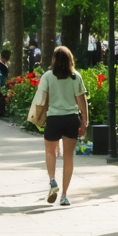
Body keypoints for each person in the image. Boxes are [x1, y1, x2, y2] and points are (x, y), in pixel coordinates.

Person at [38, 46, 89, 207]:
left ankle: (52, 180)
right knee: (68, 157)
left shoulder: (47, 77)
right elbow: (81, 101)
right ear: (70, 60)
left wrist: (42, 116)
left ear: (53, 59)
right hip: (70, 119)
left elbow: (43, 99)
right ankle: (65, 195)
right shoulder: (75, 77)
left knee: (50, 152)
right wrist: (84, 121)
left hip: (53, 118)